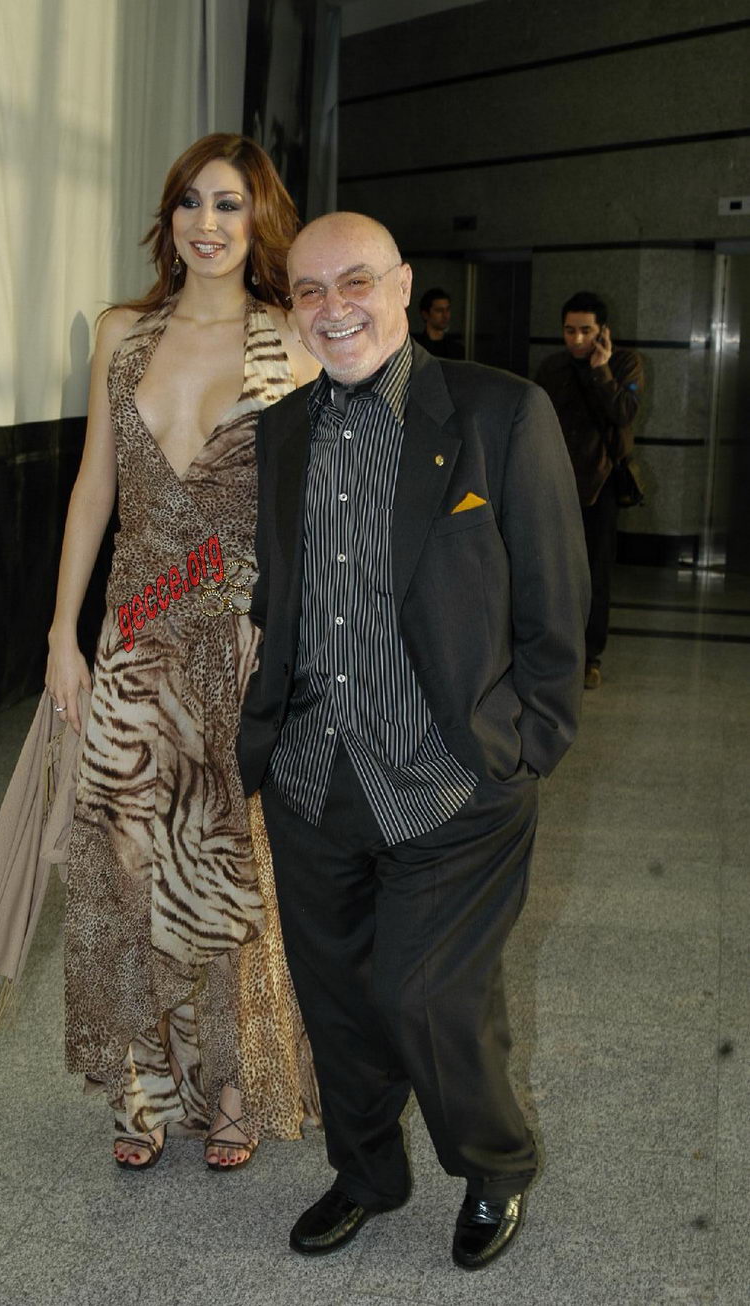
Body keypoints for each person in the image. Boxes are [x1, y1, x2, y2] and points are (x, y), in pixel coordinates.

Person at [237, 212, 589, 1269]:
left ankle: (494, 1165)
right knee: (338, 1001)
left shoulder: (500, 414)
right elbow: (282, 589)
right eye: (308, 290)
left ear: (401, 286)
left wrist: (525, 744)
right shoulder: (280, 430)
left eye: (354, 281)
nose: (333, 307)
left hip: (451, 777)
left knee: (424, 994)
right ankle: (365, 1174)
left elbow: (555, 599)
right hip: (313, 776)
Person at [46, 133, 320, 1171]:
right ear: (168, 218)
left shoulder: (289, 339)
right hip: (133, 638)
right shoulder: (123, 332)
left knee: (230, 866)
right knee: (127, 866)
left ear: (259, 224)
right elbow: (94, 489)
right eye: (192, 202)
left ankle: (236, 1084)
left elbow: (319, 503)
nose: (208, 223)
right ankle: (144, 1087)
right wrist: (62, 636)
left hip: (241, 643)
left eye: (230, 205)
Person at [534, 291, 644, 689]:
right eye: (569, 331)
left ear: (603, 332)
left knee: (596, 573)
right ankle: (554, 652)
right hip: (556, 484)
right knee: (551, 572)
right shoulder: (552, 368)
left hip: (601, 484)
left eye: (586, 331)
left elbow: (624, 413)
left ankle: (590, 657)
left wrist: (601, 371)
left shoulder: (625, 364)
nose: (577, 339)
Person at [412, 285, 464, 358]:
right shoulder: (416, 349)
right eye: (439, 310)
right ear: (425, 314)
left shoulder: (456, 349)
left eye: (447, 310)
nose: (445, 315)